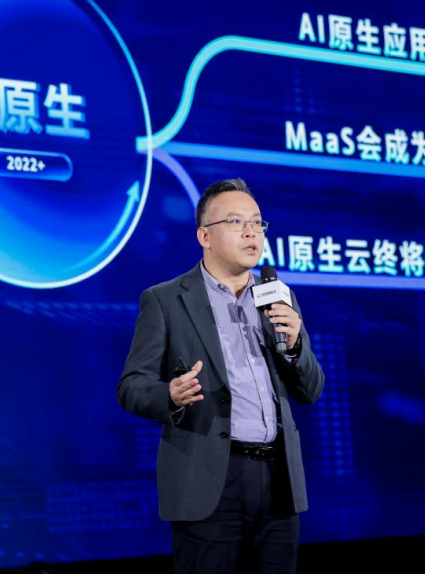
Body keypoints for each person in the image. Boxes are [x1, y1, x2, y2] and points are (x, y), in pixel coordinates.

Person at [116, 177, 325, 573]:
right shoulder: (166, 300)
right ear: (204, 236)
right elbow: (131, 386)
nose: (251, 232)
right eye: (235, 222)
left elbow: (310, 390)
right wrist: (170, 396)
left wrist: (296, 345)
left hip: (278, 479)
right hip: (209, 476)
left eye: (257, 222)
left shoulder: (279, 297)